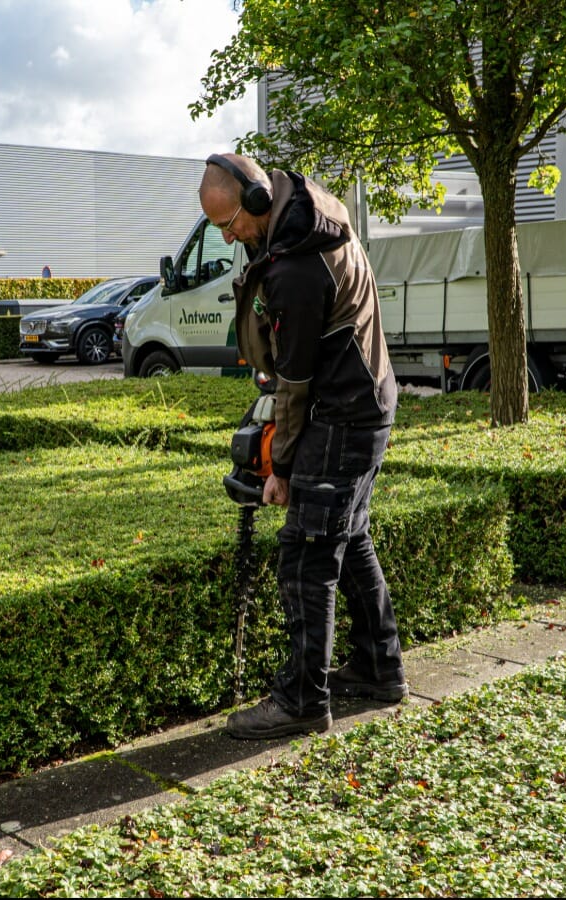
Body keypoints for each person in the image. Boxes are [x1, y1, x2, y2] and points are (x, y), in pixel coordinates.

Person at [199, 152, 408, 740]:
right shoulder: (300, 210)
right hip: (361, 401)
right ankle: (377, 666)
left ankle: (301, 702)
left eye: (229, 222)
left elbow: (293, 381)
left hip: (343, 413)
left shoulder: (297, 265)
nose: (229, 235)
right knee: (350, 536)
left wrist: (280, 466)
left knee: (306, 554)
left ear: (258, 201)